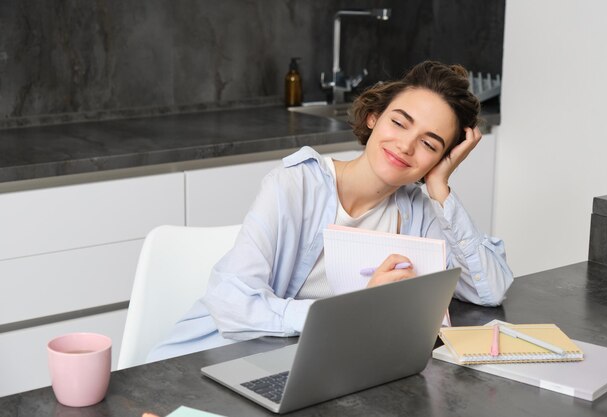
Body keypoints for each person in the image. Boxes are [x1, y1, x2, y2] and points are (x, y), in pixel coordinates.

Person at [148, 60, 513, 362]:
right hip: (215, 360)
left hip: (312, 364)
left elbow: (488, 291)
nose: (405, 146)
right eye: (399, 122)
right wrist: (352, 312)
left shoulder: (419, 211)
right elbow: (232, 301)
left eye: (429, 144)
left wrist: (441, 188)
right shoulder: (296, 185)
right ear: (373, 118)